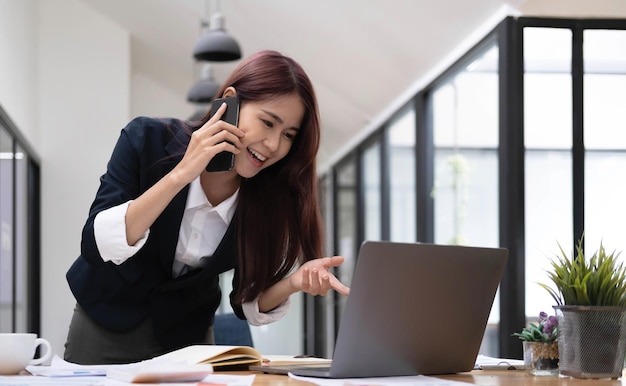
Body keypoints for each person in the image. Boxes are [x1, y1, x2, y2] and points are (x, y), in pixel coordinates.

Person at [64, 50, 350, 365]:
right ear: (229, 102)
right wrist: (181, 175)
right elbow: (96, 243)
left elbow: (247, 301)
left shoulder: (267, 196)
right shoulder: (145, 139)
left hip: (188, 340)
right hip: (106, 322)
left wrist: (293, 283)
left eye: (288, 135)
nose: (273, 144)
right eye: (268, 122)